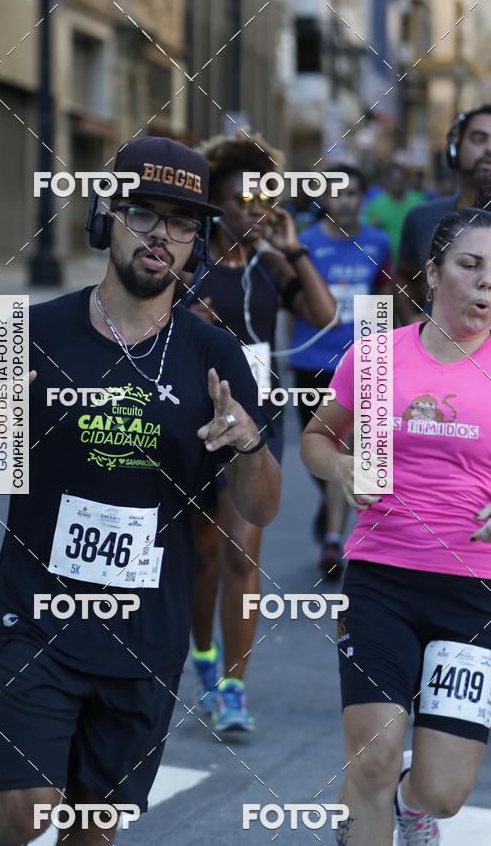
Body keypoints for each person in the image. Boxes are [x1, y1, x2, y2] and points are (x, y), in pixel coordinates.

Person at [0, 136, 281, 846]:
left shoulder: (215, 355)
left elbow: (262, 506)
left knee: (91, 831)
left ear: (197, 242)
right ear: (105, 216)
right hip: (38, 612)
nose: (161, 235)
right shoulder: (32, 333)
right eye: (143, 214)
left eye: (182, 222)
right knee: (27, 809)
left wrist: (248, 445)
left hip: (148, 631)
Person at [301, 207, 491, 845]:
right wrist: (343, 467)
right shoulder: (379, 356)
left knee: (443, 792)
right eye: (470, 265)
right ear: (433, 273)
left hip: (475, 590)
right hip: (381, 577)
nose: (485, 283)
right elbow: (317, 439)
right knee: (372, 761)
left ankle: (413, 806)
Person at [180, 131, 337, 732]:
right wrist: (188, 320)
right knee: (203, 556)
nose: (255, 211)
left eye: (263, 199)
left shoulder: (272, 265)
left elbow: (324, 316)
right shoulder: (190, 265)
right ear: (215, 205)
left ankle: (233, 689)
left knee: (242, 556)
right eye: (241, 200)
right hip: (195, 425)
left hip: (256, 428)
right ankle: (203, 657)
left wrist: (294, 249)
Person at [289, 164, 392, 576]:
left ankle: (333, 541)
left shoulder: (378, 243)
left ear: (363, 198)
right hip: (311, 362)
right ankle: (328, 504)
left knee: (347, 447)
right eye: (337, 193)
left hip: (359, 363)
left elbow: (382, 300)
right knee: (317, 449)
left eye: (352, 193)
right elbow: (290, 304)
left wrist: (382, 356)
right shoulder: (303, 243)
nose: (344, 201)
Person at [395, 104, 491, 325]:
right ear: (454, 148)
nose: (489, 148)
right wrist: (412, 321)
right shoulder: (421, 218)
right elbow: (403, 276)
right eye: (479, 139)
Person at [362, 162, 424, 265]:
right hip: (385, 262)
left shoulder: (418, 200)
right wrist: (373, 228)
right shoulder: (376, 204)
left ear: (406, 180)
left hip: (412, 264)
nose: (397, 184)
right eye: (393, 180)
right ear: (386, 181)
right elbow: (366, 234)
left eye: (400, 180)